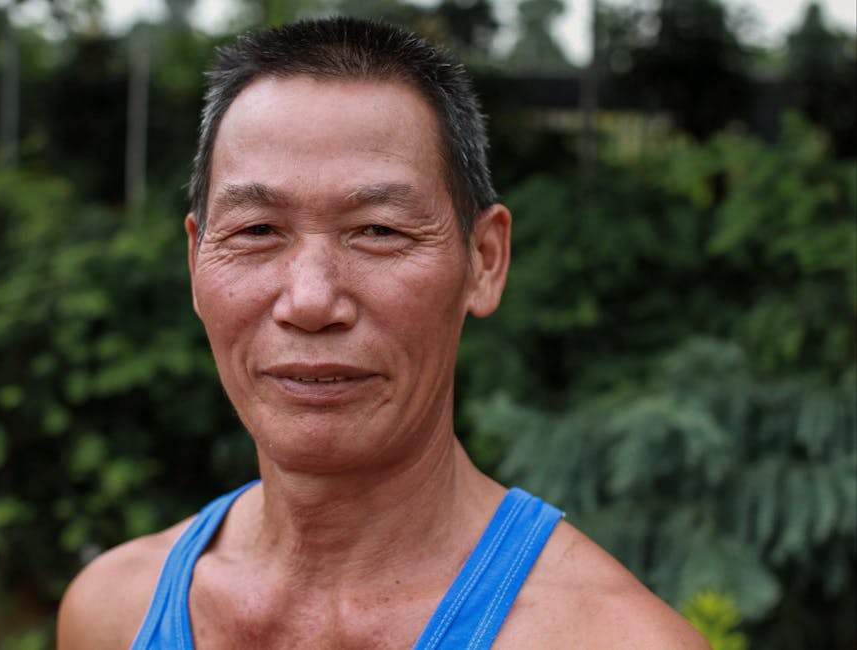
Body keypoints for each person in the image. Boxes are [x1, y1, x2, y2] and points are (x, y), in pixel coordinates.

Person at [57, 17, 710, 649]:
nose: (311, 301)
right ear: (196, 262)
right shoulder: (115, 613)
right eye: (257, 230)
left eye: (378, 230)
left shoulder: (610, 639)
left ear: (484, 261)